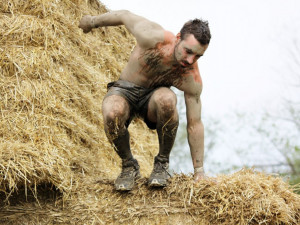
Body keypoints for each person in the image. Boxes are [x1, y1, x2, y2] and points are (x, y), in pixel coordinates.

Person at [79, 10, 211, 191]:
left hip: (153, 100)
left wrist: (199, 171)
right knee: (112, 112)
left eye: (198, 56)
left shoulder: (191, 77)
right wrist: (92, 21)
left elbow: (195, 124)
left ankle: (162, 164)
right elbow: (124, 16)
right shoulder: (152, 37)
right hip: (125, 90)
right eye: (188, 51)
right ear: (179, 37)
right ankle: (129, 166)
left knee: (167, 99)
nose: (190, 60)